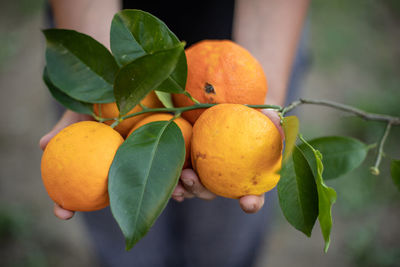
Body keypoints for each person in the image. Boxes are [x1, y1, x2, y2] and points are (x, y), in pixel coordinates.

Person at [40, 0, 310, 266]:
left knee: (222, 248)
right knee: (129, 252)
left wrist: (268, 97)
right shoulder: (110, 110)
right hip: (117, 52)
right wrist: (94, 89)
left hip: (248, 44)